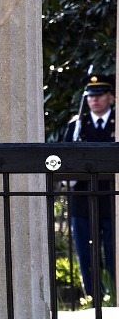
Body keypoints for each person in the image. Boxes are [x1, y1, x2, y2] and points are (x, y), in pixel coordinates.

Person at [63, 74, 116, 296]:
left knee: (114, 250)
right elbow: (65, 157)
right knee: (85, 251)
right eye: (90, 96)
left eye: (100, 95)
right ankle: (94, 295)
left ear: (111, 98)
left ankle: (116, 292)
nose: (94, 100)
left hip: (113, 197)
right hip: (82, 198)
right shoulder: (77, 125)